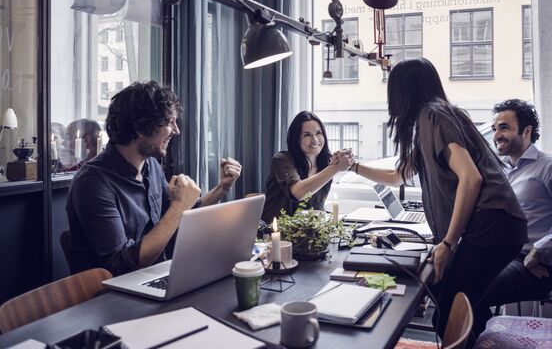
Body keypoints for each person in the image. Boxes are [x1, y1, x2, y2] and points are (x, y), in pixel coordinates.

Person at [349, 58, 528, 344]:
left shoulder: (434, 117)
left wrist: (447, 243)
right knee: (465, 304)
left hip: (492, 224)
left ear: (403, 92)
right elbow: (398, 177)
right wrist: (354, 167)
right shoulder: (428, 123)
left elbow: (471, 178)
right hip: (498, 225)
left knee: (445, 312)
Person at [66, 81, 242, 276]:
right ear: (142, 128)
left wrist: (222, 189)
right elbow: (121, 265)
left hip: (154, 277)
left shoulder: (151, 166)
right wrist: (178, 207)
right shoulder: (92, 183)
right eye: (169, 122)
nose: (176, 130)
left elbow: (180, 216)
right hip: (110, 297)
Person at [479, 99, 552, 314]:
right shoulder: (503, 171)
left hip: (532, 266)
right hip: (501, 257)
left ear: (526, 131)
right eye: (495, 128)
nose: (496, 135)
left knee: (469, 292)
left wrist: (540, 249)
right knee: (449, 284)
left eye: (504, 127)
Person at [261, 111, 353, 225]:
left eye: (318, 133)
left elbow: (318, 208)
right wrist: (335, 168)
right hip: (274, 235)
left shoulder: (325, 163)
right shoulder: (282, 159)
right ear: (296, 139)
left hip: (306, 234)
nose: (315, 140)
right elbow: (298, 192)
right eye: (307, 135)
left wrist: (346, 160)